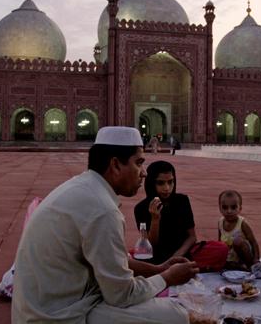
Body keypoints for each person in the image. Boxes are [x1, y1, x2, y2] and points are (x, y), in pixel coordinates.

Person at [12, 126, 199, 324]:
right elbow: (121, 296)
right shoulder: (102, 210)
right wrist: (167, 278)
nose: (143, 173)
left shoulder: (83, 187)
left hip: (43, 306)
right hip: (57, 316)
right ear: (116, 165)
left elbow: (112, 261)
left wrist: (158, 269)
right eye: (138, 163)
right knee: (175, 315)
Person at [134, 160, 197, 265]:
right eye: (160, 183)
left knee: (219, 249)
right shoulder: (141, 208)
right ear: (151, 183)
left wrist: (176, 256)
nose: (167, 188)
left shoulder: (182, 201)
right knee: (137, 258)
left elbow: (192, 237)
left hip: (181, 254)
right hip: (155, 257)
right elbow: (149, 244)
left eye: (170, 182)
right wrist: (155, 219)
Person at [217, 189, 260, 270]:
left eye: (233, 207)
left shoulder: (242, 223)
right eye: (225, 207)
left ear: (240, 208)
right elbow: (219, 242)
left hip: (243, 258)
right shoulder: (220, 222)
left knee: (238, 241)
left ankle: (248, 266)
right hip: (229, 260)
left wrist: (256, 259)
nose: (229, 211)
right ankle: (235, 266)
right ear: (220, 208)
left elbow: (254, 242)